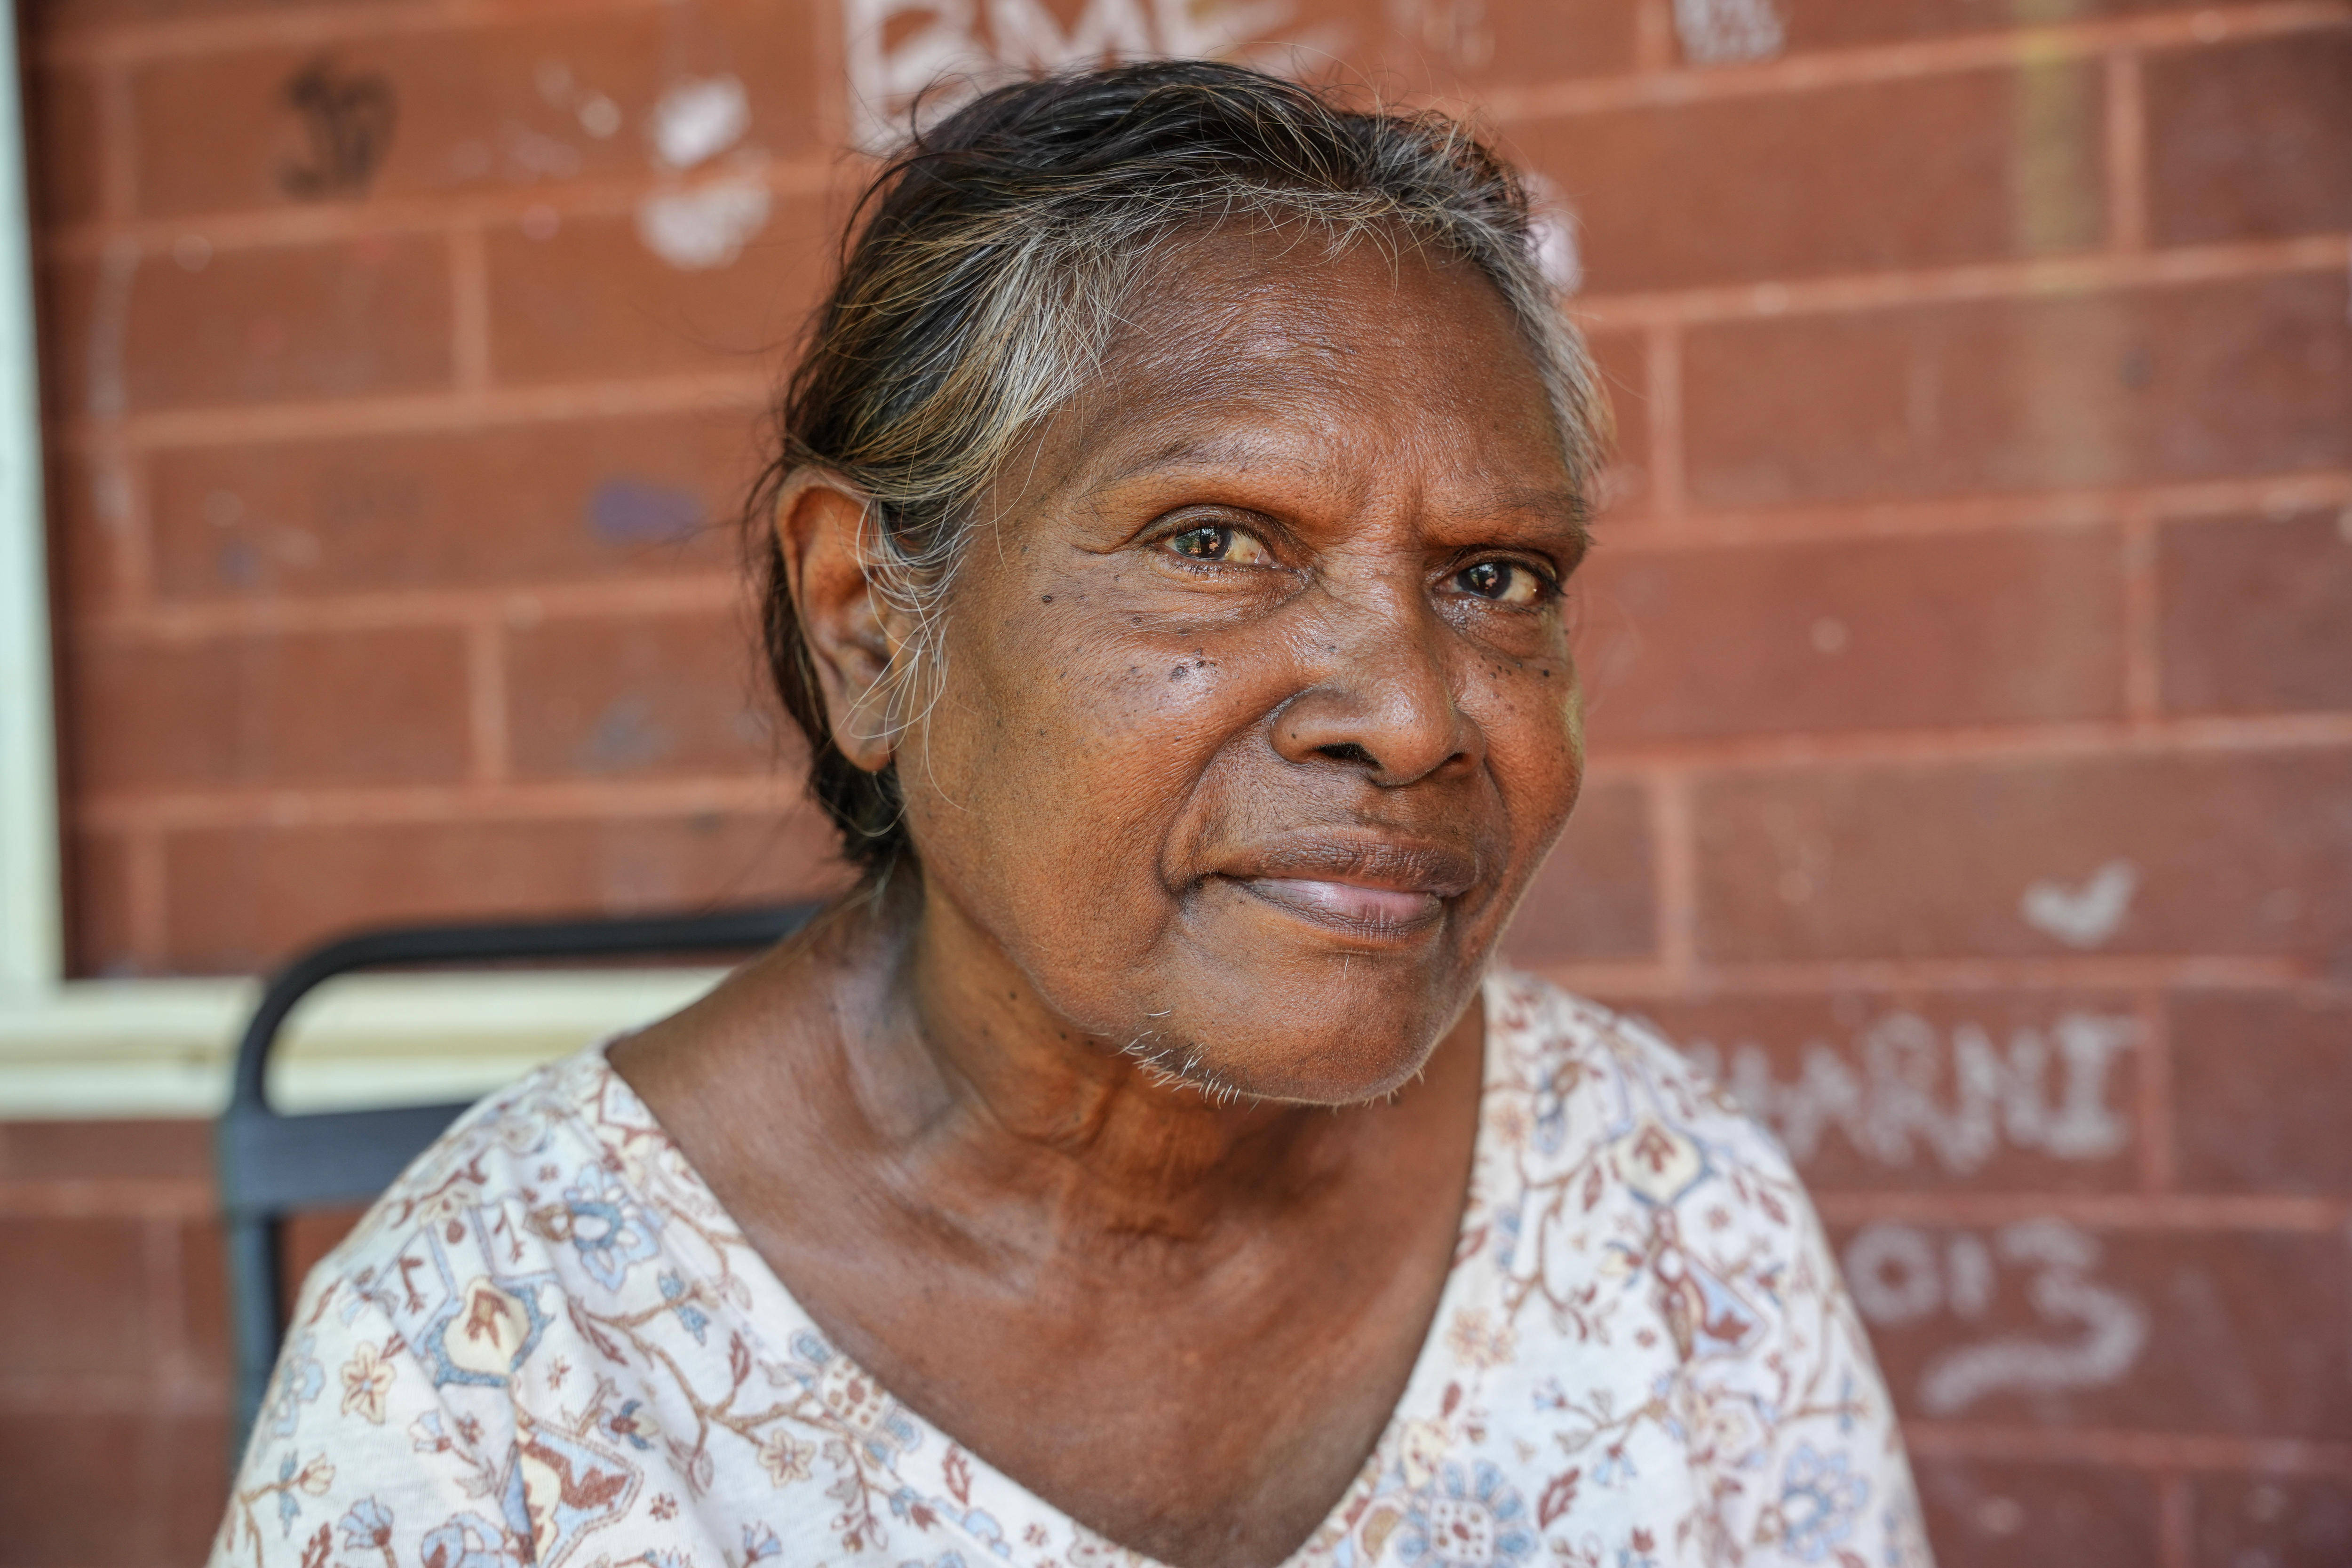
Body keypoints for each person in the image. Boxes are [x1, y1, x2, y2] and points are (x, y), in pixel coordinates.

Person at [210, 60, 1931, 1568]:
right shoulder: (494, 1375)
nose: (1414, 716)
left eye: (1497, 576)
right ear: (867, 623)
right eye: (1213, 542)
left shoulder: (1655, 1207)